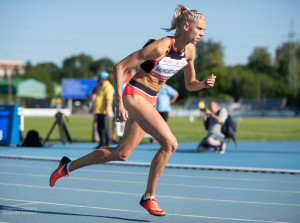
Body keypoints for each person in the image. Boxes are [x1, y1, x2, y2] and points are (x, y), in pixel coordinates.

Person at [49, 5, 216, 216]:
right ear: (185, 26)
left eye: (204, 30)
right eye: (199, 29)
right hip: (134, 94)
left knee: (122, 153)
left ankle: (66, 167)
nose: (202, 34)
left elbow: (190, 84)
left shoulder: (190, 51)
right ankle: (149, 197)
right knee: (170, 144)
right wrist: (118, 102)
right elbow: (120, 67)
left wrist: (202, 84)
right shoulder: (161, 46)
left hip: (150, 99)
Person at [91, 71, 114, 148]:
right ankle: (101, 143)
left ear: (103, 78)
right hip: (99, 111)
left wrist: (107, 110)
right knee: (99, 128)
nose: (97, 79)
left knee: (105, 128)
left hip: (104, 111)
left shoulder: (108, 87)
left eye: (99, 78)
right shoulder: (101, 86)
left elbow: (108, 99)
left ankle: (106, 144)